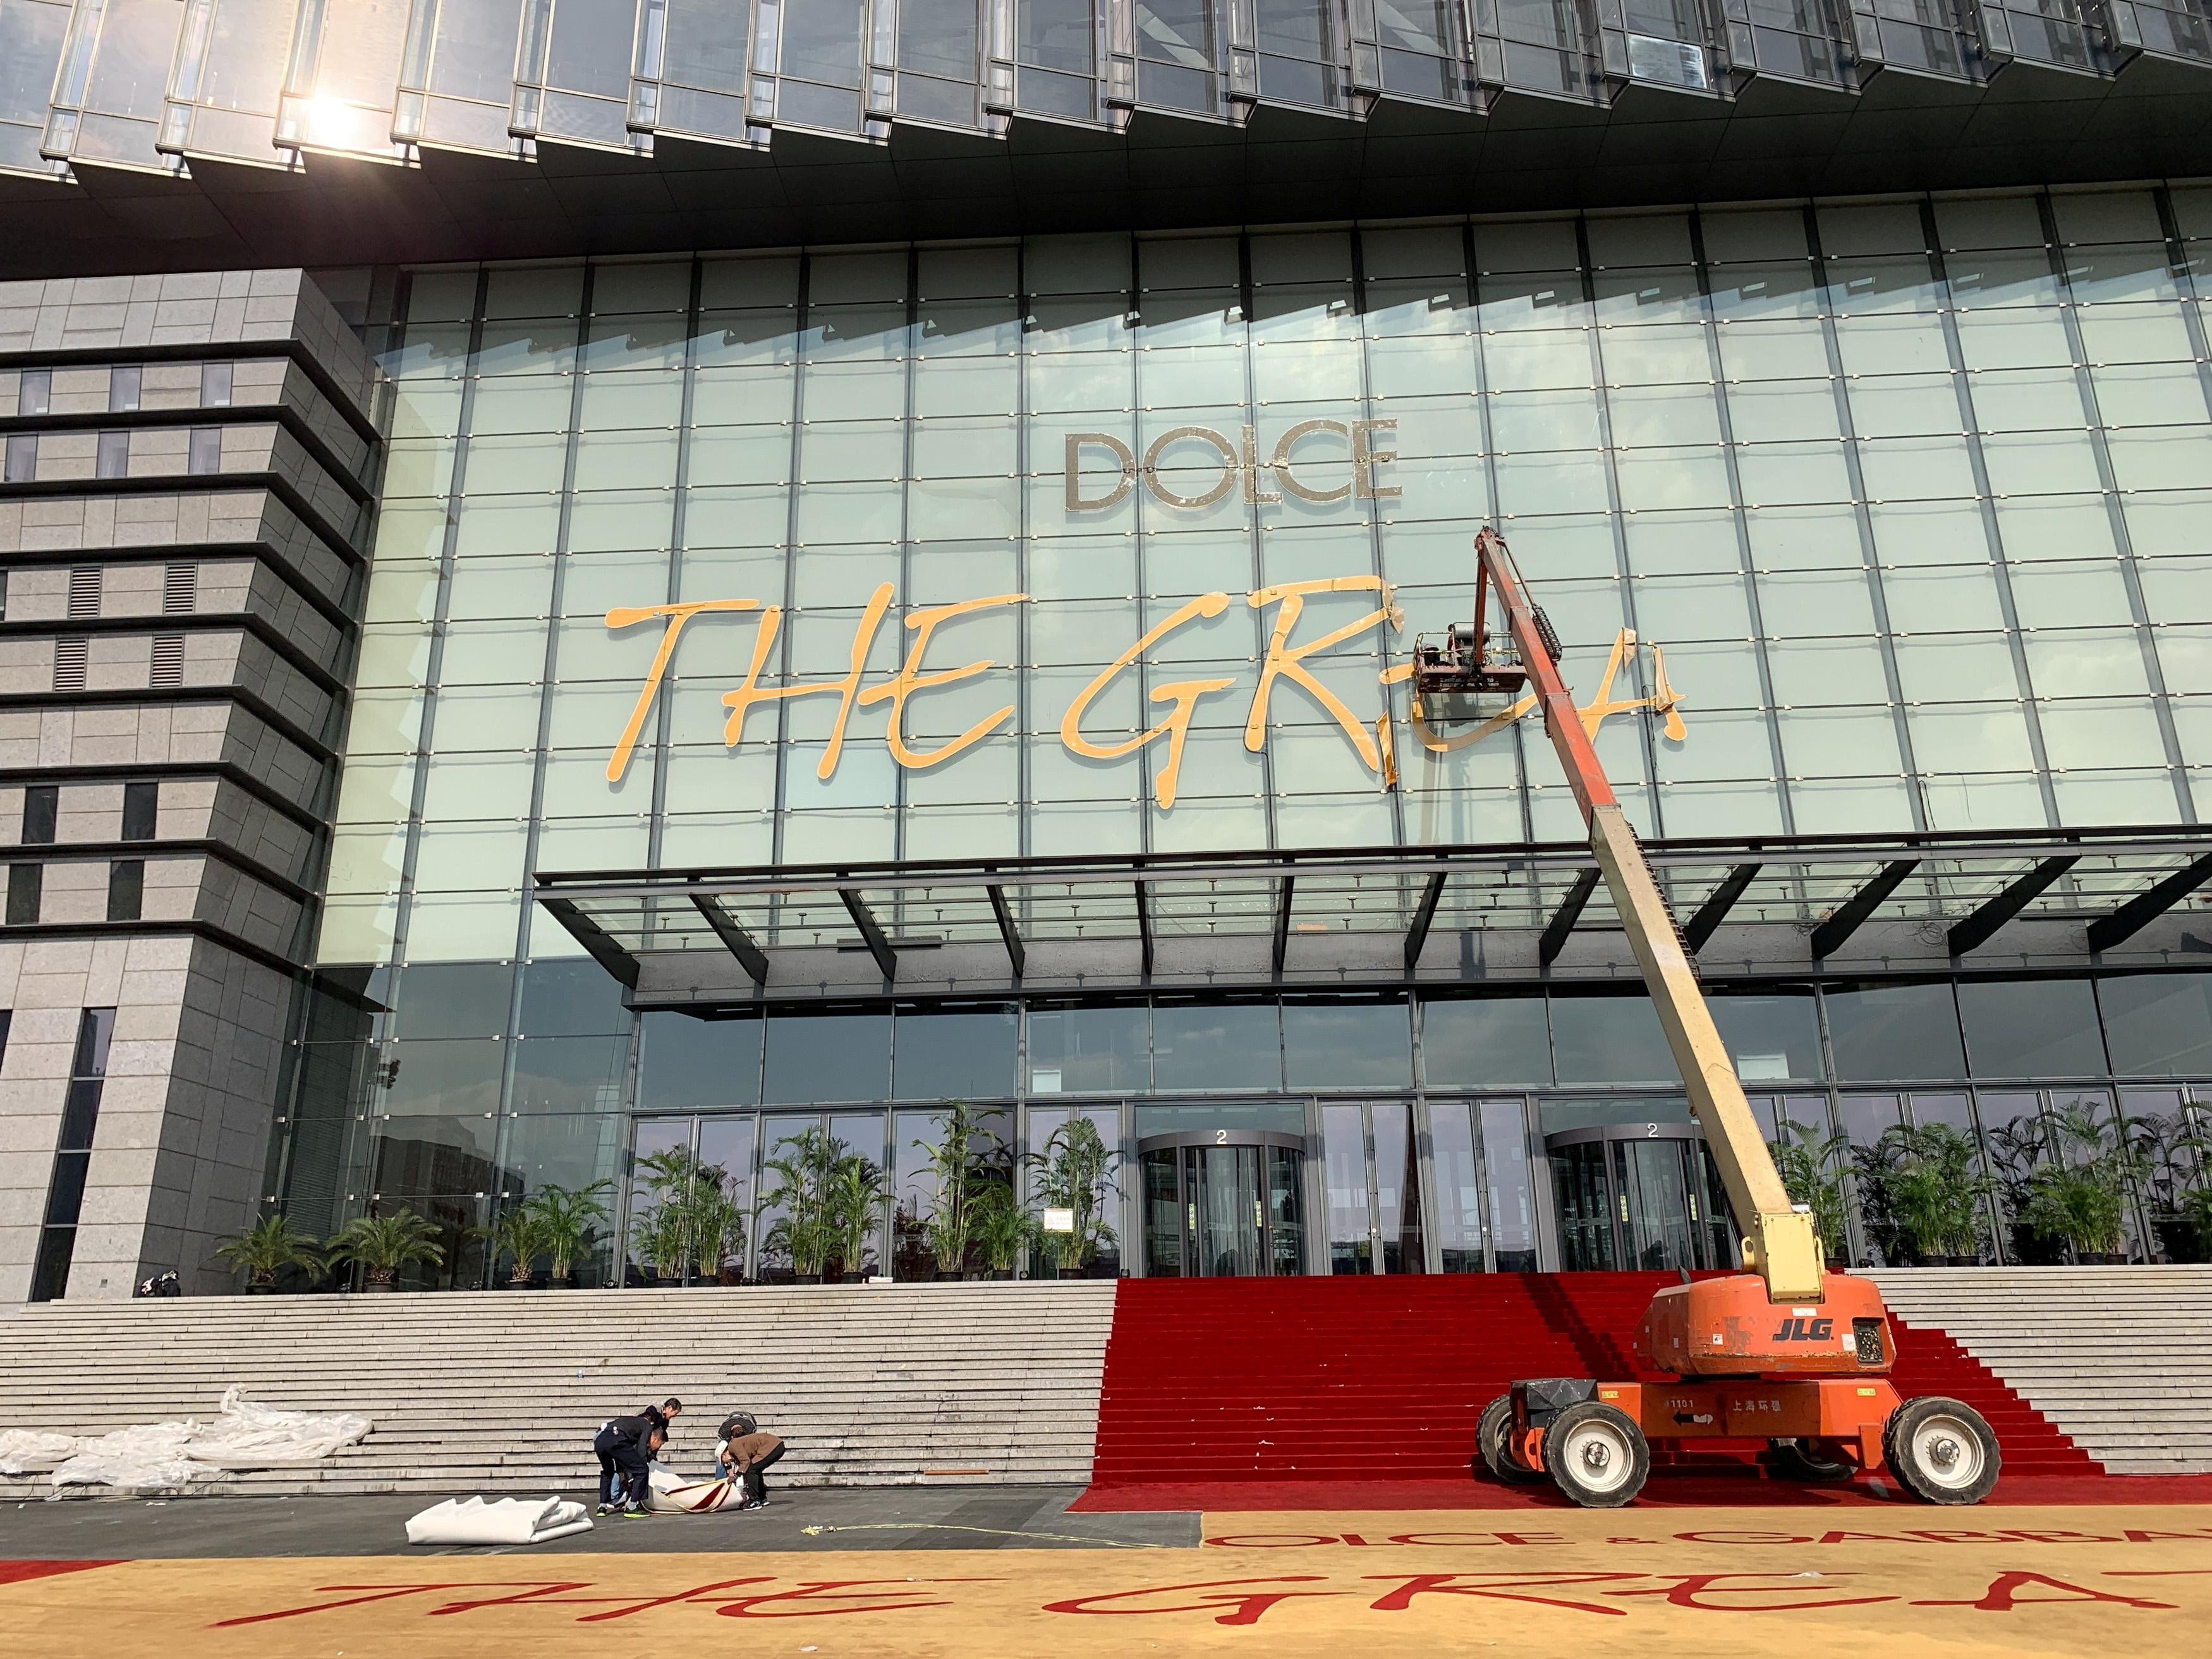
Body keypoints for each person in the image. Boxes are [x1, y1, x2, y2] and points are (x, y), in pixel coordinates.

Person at [592, 1412, 669, 1516]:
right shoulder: (647, 1427)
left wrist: (623, 1479)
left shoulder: (632, 1426)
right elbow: (641, 1449)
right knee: (642, 1470)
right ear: (656, 1439)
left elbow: (620, 1457)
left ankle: (602, 1507)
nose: (657, 1447)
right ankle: (632, 1507)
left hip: (601, 1440)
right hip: (616, 1438)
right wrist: (643, 1466)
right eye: (660, 1444)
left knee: (608, 1471)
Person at [715, 1411, 785, 1510]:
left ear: (724, 1454)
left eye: (723, 1460)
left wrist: (736, 1475)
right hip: (776, 1445)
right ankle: (762, 1498)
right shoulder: (735, 1449)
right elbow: (745, 1466)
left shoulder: (733, 1446)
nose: (725, 1462)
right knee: (755, 1469)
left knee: (752, 1469)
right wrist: (745, 1489)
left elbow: (746, 1462)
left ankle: (755, 1501)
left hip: (772, 1447)